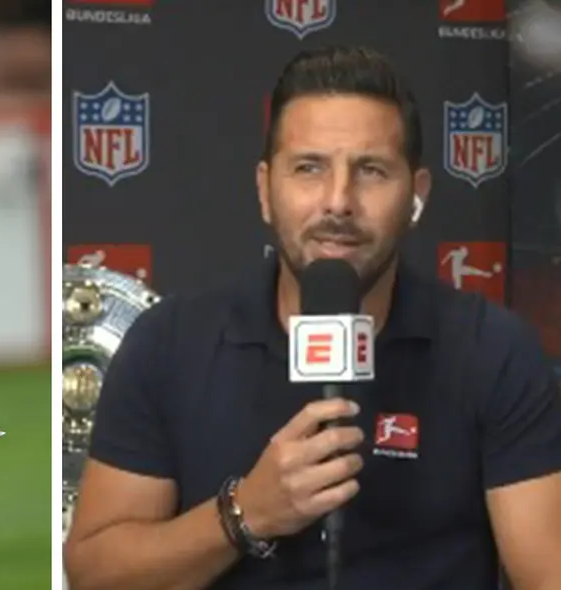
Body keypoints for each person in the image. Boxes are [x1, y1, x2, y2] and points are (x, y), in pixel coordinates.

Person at [63, 45, 561, 590]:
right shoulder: (170, 343)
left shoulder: (492, 351)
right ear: (265, 191)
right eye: (309, 168)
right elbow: (96, 574)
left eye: (371, 170)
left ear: (416, 196)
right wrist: (245, 513)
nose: (338, 201)